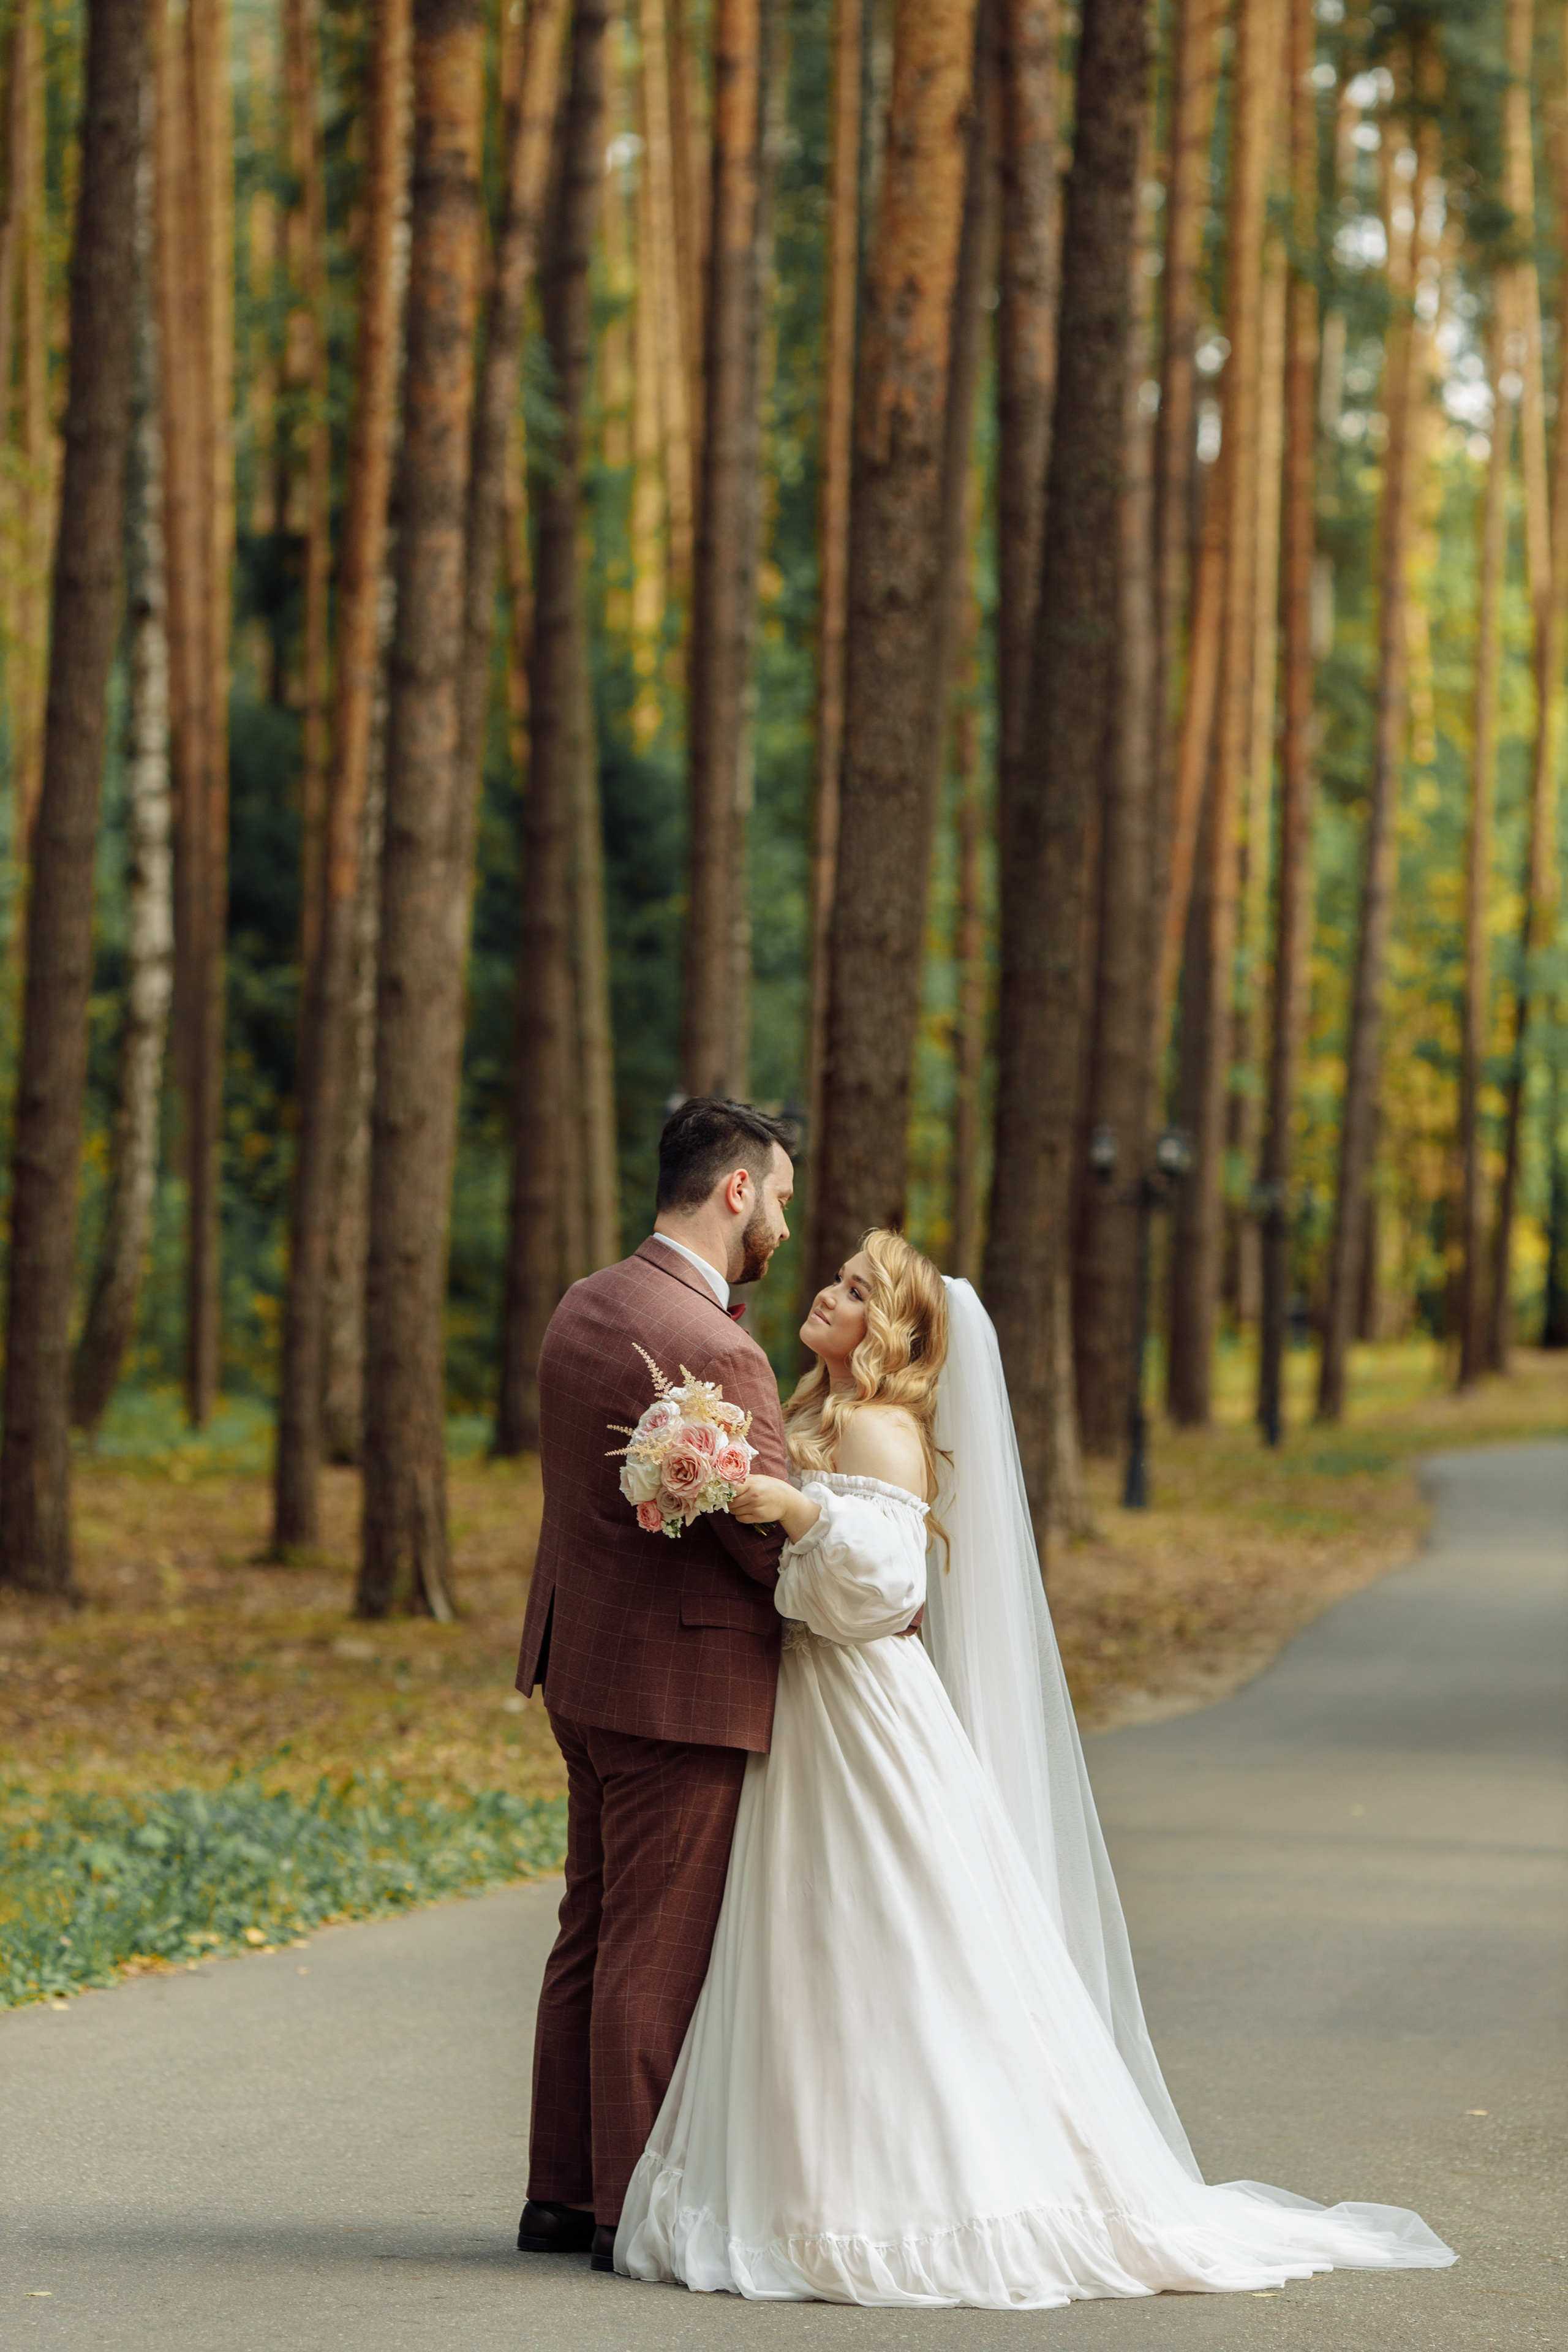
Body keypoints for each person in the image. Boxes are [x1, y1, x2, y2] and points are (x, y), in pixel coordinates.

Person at [613, 1230, 1457, 2308]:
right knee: (813, 1936)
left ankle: (911, 2195)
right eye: (836, 1277)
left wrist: (797, 1509)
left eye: (856, 1290)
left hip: (860, 1711)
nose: (828, 1292)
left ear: (895, 1332)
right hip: (816, 1710)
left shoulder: (878, 1428)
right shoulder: (822, 1414)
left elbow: (880, 1592)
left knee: (884, 1933)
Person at [513, 1098, 798, 2272]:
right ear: (735, 1191)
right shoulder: (717, 1347)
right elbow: (768, 1544)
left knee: (590, 1930)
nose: (783, 1217)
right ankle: (625, 2213)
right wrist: (865, 1556)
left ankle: (560, 2193)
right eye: (779, 1194)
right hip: (676, 1687)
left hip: (584, 1666)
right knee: (652, 1945)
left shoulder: (591, 1300)